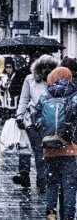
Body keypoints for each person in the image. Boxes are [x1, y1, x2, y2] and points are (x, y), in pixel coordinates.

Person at [36, 67, 77, 220]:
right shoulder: (74, 96)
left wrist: (46, 135)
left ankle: (51, 213)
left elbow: (36, 120)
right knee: (69, 186)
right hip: (70, 149)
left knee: (52, 184)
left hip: (50, 148)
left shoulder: (46, 95)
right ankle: (68, 216)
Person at [14, 54, 58, 192]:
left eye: (49, 67)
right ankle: (42, 182)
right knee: (40, 152)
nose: (46, 70)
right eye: (44, 67)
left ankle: (44, 181)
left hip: (51, 121)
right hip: (33, 121)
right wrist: (20, 116)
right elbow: (24, 99)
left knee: (48, 153)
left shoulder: (57, 80)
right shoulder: (30, 79)